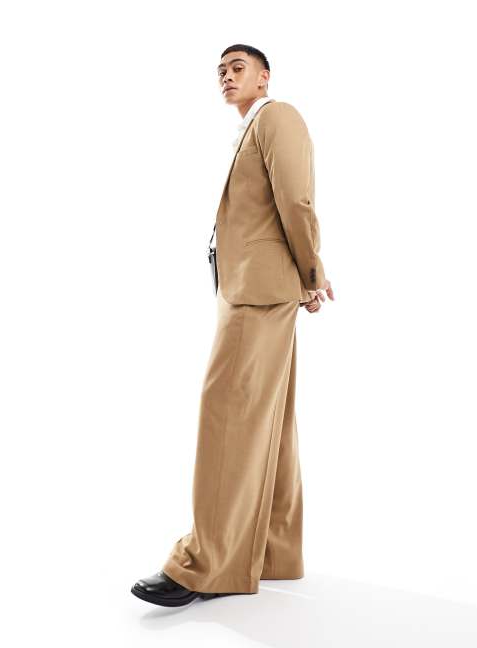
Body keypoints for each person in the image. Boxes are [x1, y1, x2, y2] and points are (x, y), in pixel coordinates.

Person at [131, 43, 335, 607]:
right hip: (251, 288)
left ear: (264, 75)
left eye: (237, 67)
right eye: (220, 70)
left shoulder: (277, 116)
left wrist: (312, 273)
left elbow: (297, 200)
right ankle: (272, 552)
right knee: (271, 419)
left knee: (228, 414)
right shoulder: (251, 128)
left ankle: (206, 564)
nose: (226, 75)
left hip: (257, 292)